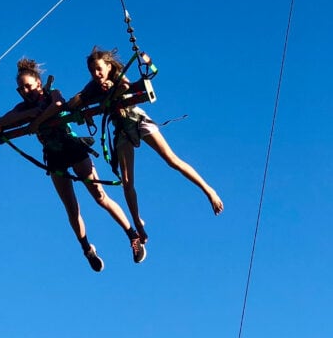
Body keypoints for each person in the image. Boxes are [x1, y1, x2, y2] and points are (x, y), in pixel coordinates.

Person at [51, 47, 224, 251]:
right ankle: (137, 222)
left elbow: (126, 87)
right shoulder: (93, 87)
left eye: (98, 69)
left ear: (108, 66)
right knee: (127, 182)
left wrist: (113, 88)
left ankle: (208, 190)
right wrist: (83, 103)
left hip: (136, 120)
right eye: (92, 71)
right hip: (122, 131)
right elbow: (75, 101)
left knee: (171, 160)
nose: (96, 74)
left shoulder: (117, 77)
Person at [0, 58, 148, 270]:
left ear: (38, 83)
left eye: (28, 86)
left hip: (72, 147)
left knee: (100, 196)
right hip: (54, 155)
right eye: (21, 88)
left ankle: (132, 235)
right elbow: (3, 121)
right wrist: (29, 114)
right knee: (71, 207)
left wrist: (36, 122)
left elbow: (58, 105)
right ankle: (87, 249)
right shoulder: (22, 107)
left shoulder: (51, 94)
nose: (25, 91)